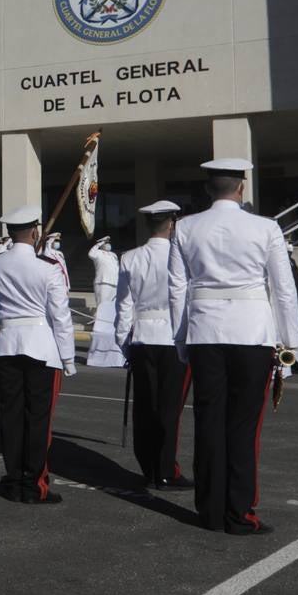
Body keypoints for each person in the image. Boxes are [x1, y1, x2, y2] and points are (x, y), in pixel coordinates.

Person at [169, 158, 298, 536]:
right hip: (252, 333)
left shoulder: (186, 227)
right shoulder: (265, 227)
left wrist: (181, 339)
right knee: (243, 427)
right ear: (241, 189)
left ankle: (209, 512)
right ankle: (238, 513)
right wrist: (289, 344)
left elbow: (178, 288)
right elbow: (284, 289)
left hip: (204, 333)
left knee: (208, 422)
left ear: (210, 189)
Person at [0, 205, 75, 504]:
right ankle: (34, 484)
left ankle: (13, 480)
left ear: (9, 233)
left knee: (10, 417)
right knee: (38, 420)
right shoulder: (48, 267)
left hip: (8, 343)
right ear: (36, 231)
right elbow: (61, 317)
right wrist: (69, 359)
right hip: (40, 345)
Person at [113, 201, 192, 491]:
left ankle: (148, 467)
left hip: (142, 338)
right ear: (172, 224)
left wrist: (124, 343)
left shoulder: (130, 257)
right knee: (170, 409)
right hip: (173, 338)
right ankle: (166, 471)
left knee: (145, 407)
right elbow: (187, 300)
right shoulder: (182, 255)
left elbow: (123, 306)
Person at [86, 236, 126, 368]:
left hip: (114, 283)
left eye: (109, 242)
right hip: (102, 282)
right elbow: (90, 253)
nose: (108, 245)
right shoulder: (97, 253)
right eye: (106, 243)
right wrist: (100, 243)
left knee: (111, 310)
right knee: (102, 307)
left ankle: (108, 329)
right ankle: (99, 328)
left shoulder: (113, 255)